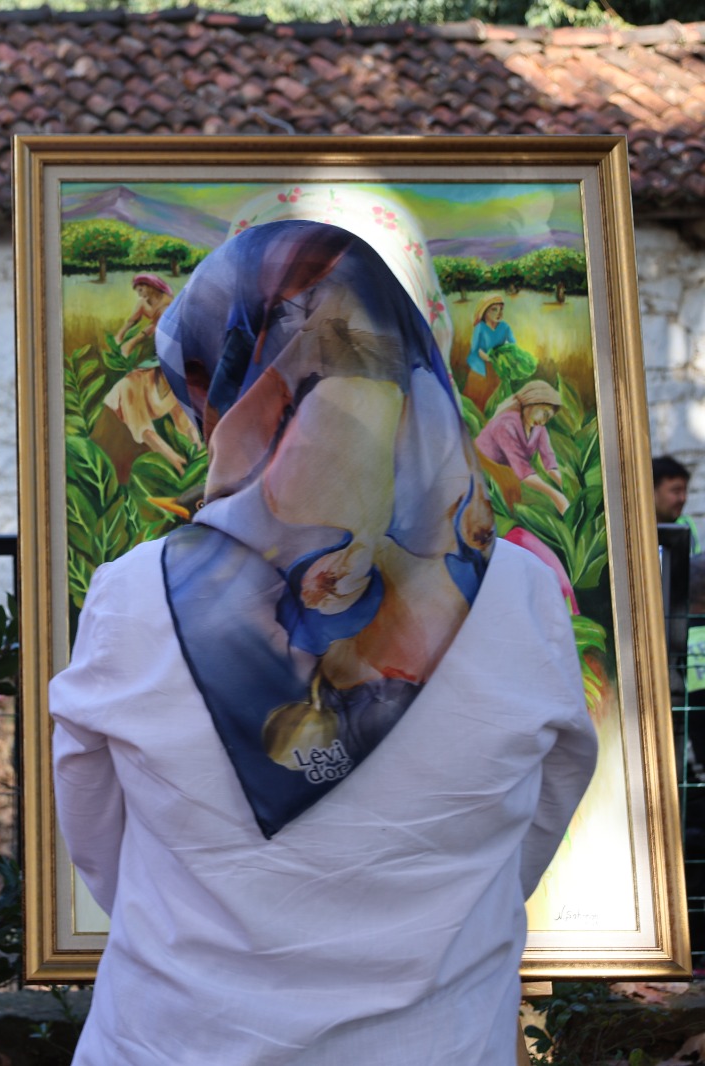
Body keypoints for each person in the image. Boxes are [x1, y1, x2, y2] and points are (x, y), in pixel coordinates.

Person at [52, 221, 597, 1065]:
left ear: (229, 389)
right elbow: (537, 824)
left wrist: (231, 932)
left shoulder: (132, 596)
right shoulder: (522, 594)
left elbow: (100, 846)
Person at [474, 380, 568, 513]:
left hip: (507, 473)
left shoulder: (539, 428)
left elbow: (549, 460)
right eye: (544, 414)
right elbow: (522, 469)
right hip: (483, 469)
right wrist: (556, 496)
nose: (544, 421)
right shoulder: (505, 424)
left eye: (548, 418)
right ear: (532, 402)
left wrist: (564, 488)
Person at [112, 272, 173, 359]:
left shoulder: (166, 299)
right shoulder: (146, 300)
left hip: (166, 329)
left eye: (140, 290)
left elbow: (156, 319)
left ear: (150, 287)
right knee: (141, 304)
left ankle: (131, 343)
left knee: (157, 321)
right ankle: (120, 335)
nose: (139, 294)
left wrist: (133, 342)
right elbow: (141, 317)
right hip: (155, 324)